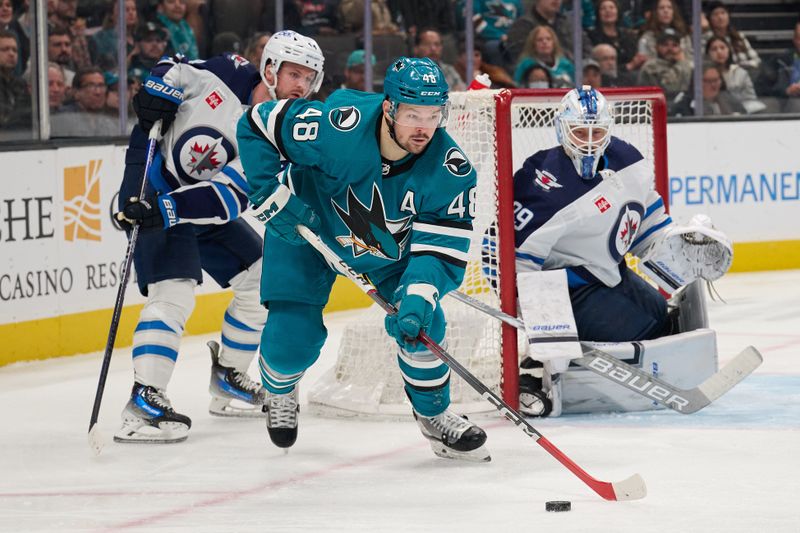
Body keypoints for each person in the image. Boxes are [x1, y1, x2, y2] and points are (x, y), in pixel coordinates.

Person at [236, 57, 490, 462]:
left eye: (432, 115)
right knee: (291, 342)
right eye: (412, 115)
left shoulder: (451, 170)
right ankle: (280, 391)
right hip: (305, 230)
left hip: (387, 252)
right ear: (389, 108)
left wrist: (419, 294)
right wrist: (267, 192)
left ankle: (434, 415)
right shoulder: (338, 126)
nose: (423, 127)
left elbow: (440, 250)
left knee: (426, 326)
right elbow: (257, 123)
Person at [112, 30, 325, 444]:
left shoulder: (282, 135)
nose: (302, 86)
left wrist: (169, 210)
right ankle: (143, 399)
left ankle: (228, 376)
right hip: (152, 188)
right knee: (173, 292)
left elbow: (227, 197)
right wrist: (156, 89)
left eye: (309, 78)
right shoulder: (228, 72)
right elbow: (173, 70)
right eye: (295, 74)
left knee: (263, 277)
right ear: (270, 69)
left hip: (191, 207)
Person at [504, 86, 732, 416]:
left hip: (609, 273)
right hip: (568, 291)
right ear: (562, 129)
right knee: (647, 328)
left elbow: (647, 223)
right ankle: (537, 373)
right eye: (580, 131)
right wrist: (546, 329)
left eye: (598, 131)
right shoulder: (543, 184)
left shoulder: (628, 160)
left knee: (659, 315)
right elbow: (513, 262)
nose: (590, 140)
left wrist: (679, 239)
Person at [701, 1, 760, 80]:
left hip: (745, 74)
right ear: (709, 18)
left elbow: (756, 60)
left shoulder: (738, 36)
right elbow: (704, 63)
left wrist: (740, 67)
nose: (720, 17)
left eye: (723, 13)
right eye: (716, 14)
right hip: (720, 78)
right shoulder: (705, 38)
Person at [586, 0, 646, 76]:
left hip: (632, 75)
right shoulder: (592, 36)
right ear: (598, 13)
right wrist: (629, 66)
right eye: (603, 8)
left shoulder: (628, 35)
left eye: (611, 8)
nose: (608, 11)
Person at [706, 36, 763, 114]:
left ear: (729, 50)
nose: (719, 52)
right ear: (708, 54)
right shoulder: (703, 75)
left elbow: (751, 100)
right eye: (714, 49)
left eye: (722, 48)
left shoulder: (741, 73)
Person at [638, 29, 692, 104]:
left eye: (674, 45)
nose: (670, 49)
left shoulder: (684, 65)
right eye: (665, 45)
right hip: (657, 107)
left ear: (680, 48)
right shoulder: (651, 66)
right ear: (656, 47)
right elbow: (669, 88)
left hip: (683, 107)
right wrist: (681, 64)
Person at [671, 63, 747, 116]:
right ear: (696, 83)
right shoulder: (685, 105)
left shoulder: (730, 100)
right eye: (708, 81)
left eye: (716, 80)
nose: (713, 85)